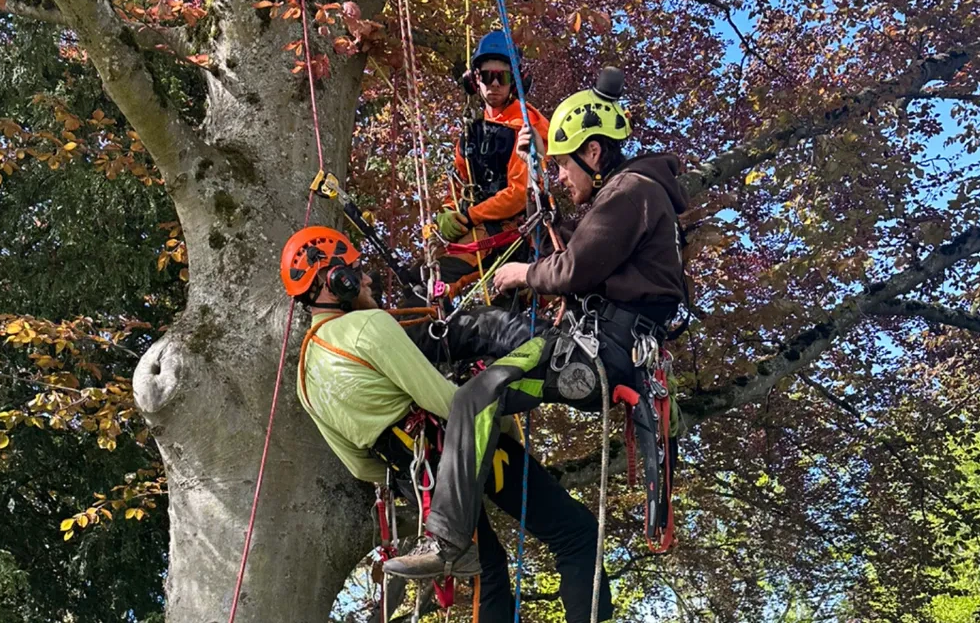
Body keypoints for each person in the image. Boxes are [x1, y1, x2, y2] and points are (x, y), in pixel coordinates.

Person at [384, 67, 687, 623]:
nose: (564, 180)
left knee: (477, 394)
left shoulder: (631, 191)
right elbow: (587, 252)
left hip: (594, 354)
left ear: (594, 152)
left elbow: (573, 268)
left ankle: (447, 540)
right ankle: (446, 444)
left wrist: (524, 272)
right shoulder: (633, 196)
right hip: (602, 352)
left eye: (566, 166)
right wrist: (543, 210)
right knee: (483, 377)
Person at [280, 225, 611, 622]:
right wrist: (504, 428)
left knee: (488, 572)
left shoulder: (304, 378)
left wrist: (408, 469)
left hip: (416, 480)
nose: (366, 278)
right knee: (575, 535)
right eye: (356, 270)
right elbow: (449, 403)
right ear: (336, 280)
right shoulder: (366, 326)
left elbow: (360, 466)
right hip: (462, 449)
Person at [432, 31, 551, 301]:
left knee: (444, 277)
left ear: (516, 80)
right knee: (425, 278)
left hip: (514, 231)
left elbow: (521, 193)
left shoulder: (527, 125)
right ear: (475, 80)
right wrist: (448, 212)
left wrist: (472, 216)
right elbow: (459, 184)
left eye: (503, 77)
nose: (494, 84)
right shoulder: (470, 134)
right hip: (479, 227)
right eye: (487, 76)